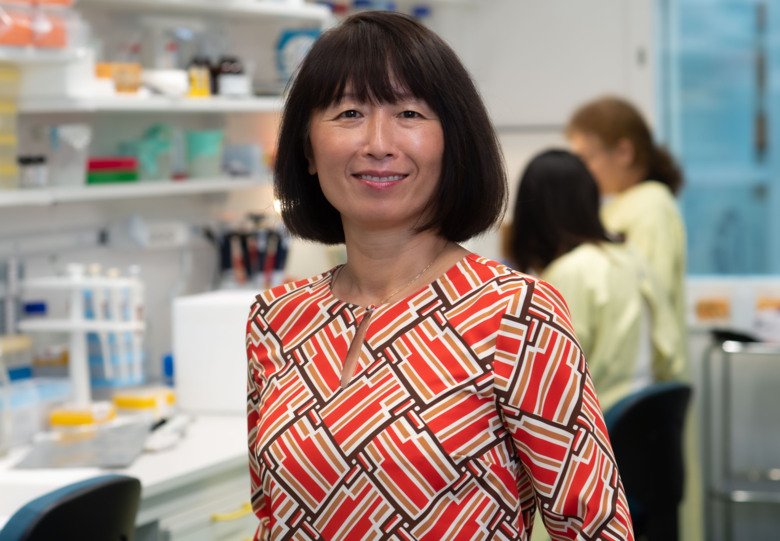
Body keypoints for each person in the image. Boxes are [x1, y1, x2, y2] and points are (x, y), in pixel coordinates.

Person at [246, 12, 632, 540]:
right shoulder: (276, 319)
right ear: (308, 150)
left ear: (452, 143)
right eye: (349, 112)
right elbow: (271, 519)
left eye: (409, 112)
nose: (378, 142)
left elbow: (595, 529)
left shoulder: (515, 314)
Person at [505, 149, 685, 412]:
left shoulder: (569, 273)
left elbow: (549, 382)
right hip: (642, 421)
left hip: (595, 430)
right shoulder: (631, 258)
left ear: (532, 213)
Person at [565, 96, 687, 369]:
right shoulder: (621, 205)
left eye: (587, 158)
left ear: (623, 152)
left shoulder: (651, 205)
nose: (581, 172)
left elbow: (650, 294)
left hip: (642, 376)